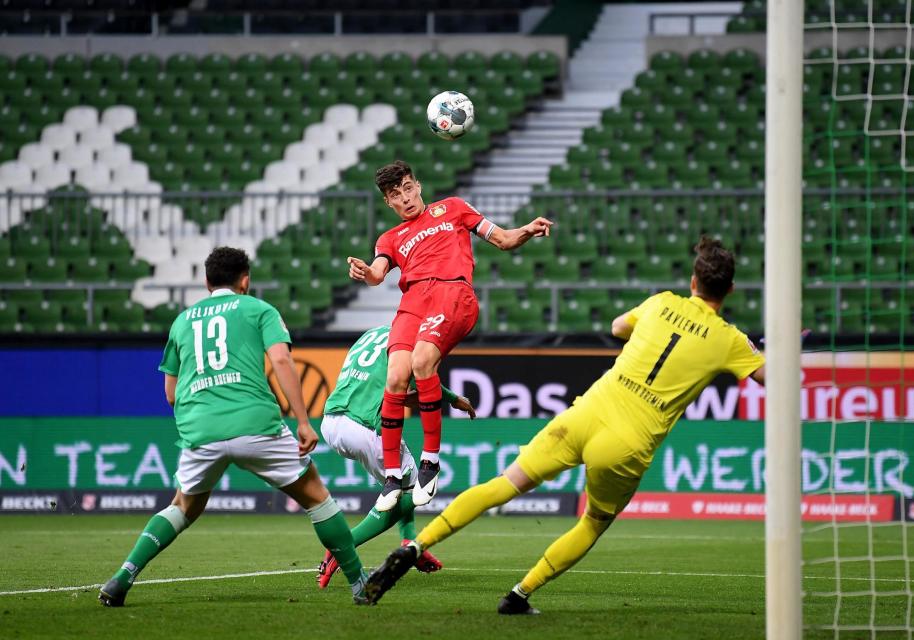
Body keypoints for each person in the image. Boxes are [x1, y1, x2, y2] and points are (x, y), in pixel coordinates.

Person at [363, 236, 767, 614]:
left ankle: (415, 546)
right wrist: (754, 349)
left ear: (693, 280)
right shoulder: (729, 339)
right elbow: (774, 378)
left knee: (502, 484)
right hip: (627, 443)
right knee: (592, 523)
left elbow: (617, 328)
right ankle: (519, 595)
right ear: (729, 291)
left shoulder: (661, 303)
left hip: (585, 413)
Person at [99, 247, 368, 607]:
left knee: (182, 507)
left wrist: (201, 424)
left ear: (207, 282)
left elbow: (170, 394)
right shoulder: (259, 309)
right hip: (256, 423)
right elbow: (281, 360)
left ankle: (123, 576)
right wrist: (303, 422)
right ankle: (359, 584)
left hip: (200, 430)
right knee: (316, 495)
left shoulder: (182, 321)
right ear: (245, 280)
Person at [346, 160, 553, 511]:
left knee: (422, 360)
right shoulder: (390, 238)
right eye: (396, 195)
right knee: (395, 376)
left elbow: (502, 239)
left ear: (419, 185)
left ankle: (430, 461)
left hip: (451, 293)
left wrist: (527, 230)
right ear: (388, 203)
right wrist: (365, 272)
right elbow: (378, 274)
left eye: (408, 188)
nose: (405, 198)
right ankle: (393, 475)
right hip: (412, 302)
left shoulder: (453, 208)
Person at [316, 324, 477, 588]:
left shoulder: (370, 334)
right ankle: (342, 548)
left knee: (398, 484)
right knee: (418, 489)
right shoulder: (409, 338)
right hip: (364, 425)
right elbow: (424, 385)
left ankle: (409, 543)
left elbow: (399, 395)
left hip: (331, 421)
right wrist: (452, 397)